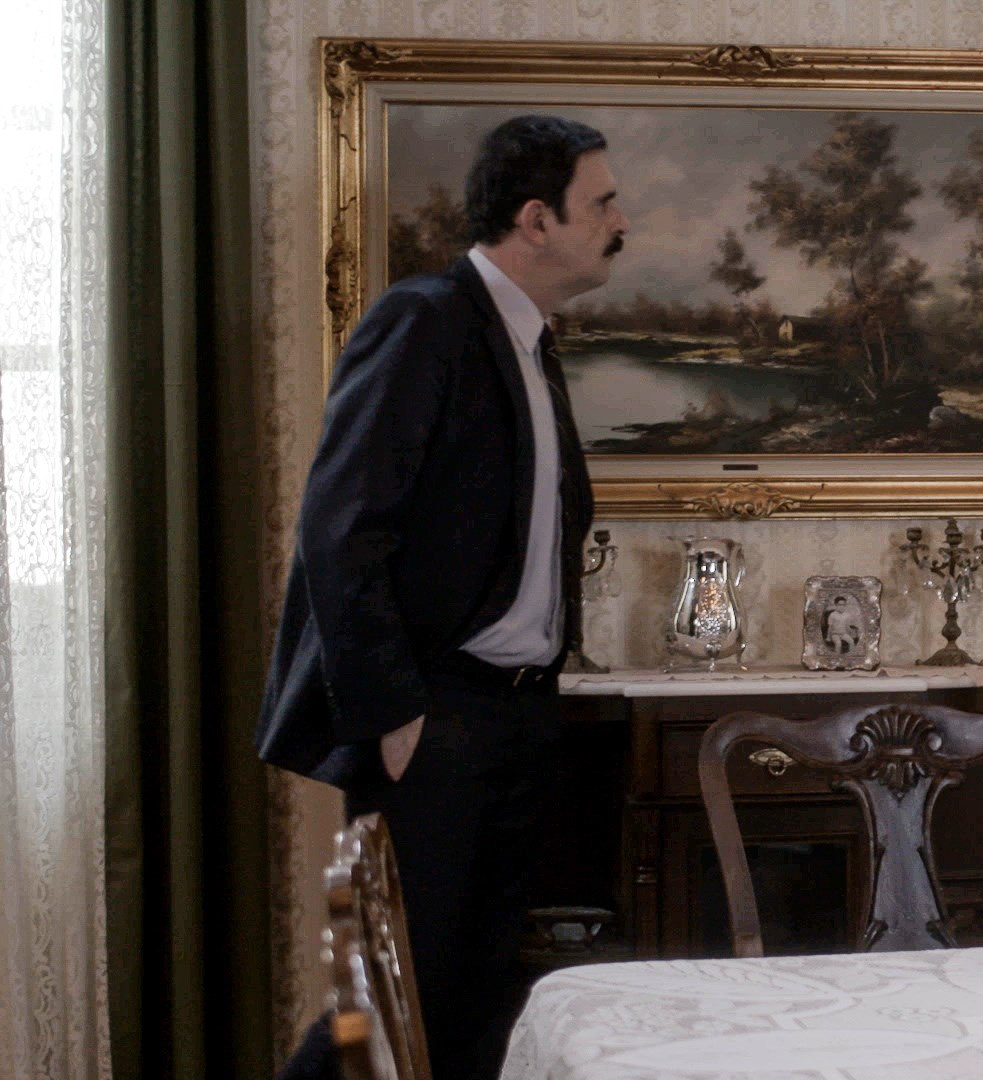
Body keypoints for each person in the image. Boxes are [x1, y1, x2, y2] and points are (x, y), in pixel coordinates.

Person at [258, 114, 625, 1077]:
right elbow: (341, 527)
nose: (620, 222)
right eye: (601, 203)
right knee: (386, 1005)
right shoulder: (425, 319)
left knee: (472, 1007)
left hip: (518, 716)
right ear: (537, 219)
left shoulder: (530, 340)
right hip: (434, 720)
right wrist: (391, 711)